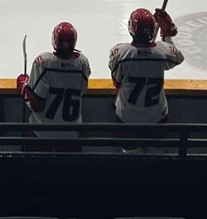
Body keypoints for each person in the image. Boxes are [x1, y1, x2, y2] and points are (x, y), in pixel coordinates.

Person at [16, 22, 91, 152]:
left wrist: (23, 86)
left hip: (42, 133)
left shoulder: (43, 62)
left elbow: (37, 104)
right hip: (72, 134)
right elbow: (82, 91)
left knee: (36, 171)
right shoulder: (82, 63)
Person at [108, 8, 183, 128]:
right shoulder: (162, 51)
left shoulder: (121, 53)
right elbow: (178, 58)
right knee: (156, 147)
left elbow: (117, 82)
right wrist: (167, 36)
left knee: (129, 147)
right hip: (157, 117)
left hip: (127, 117)